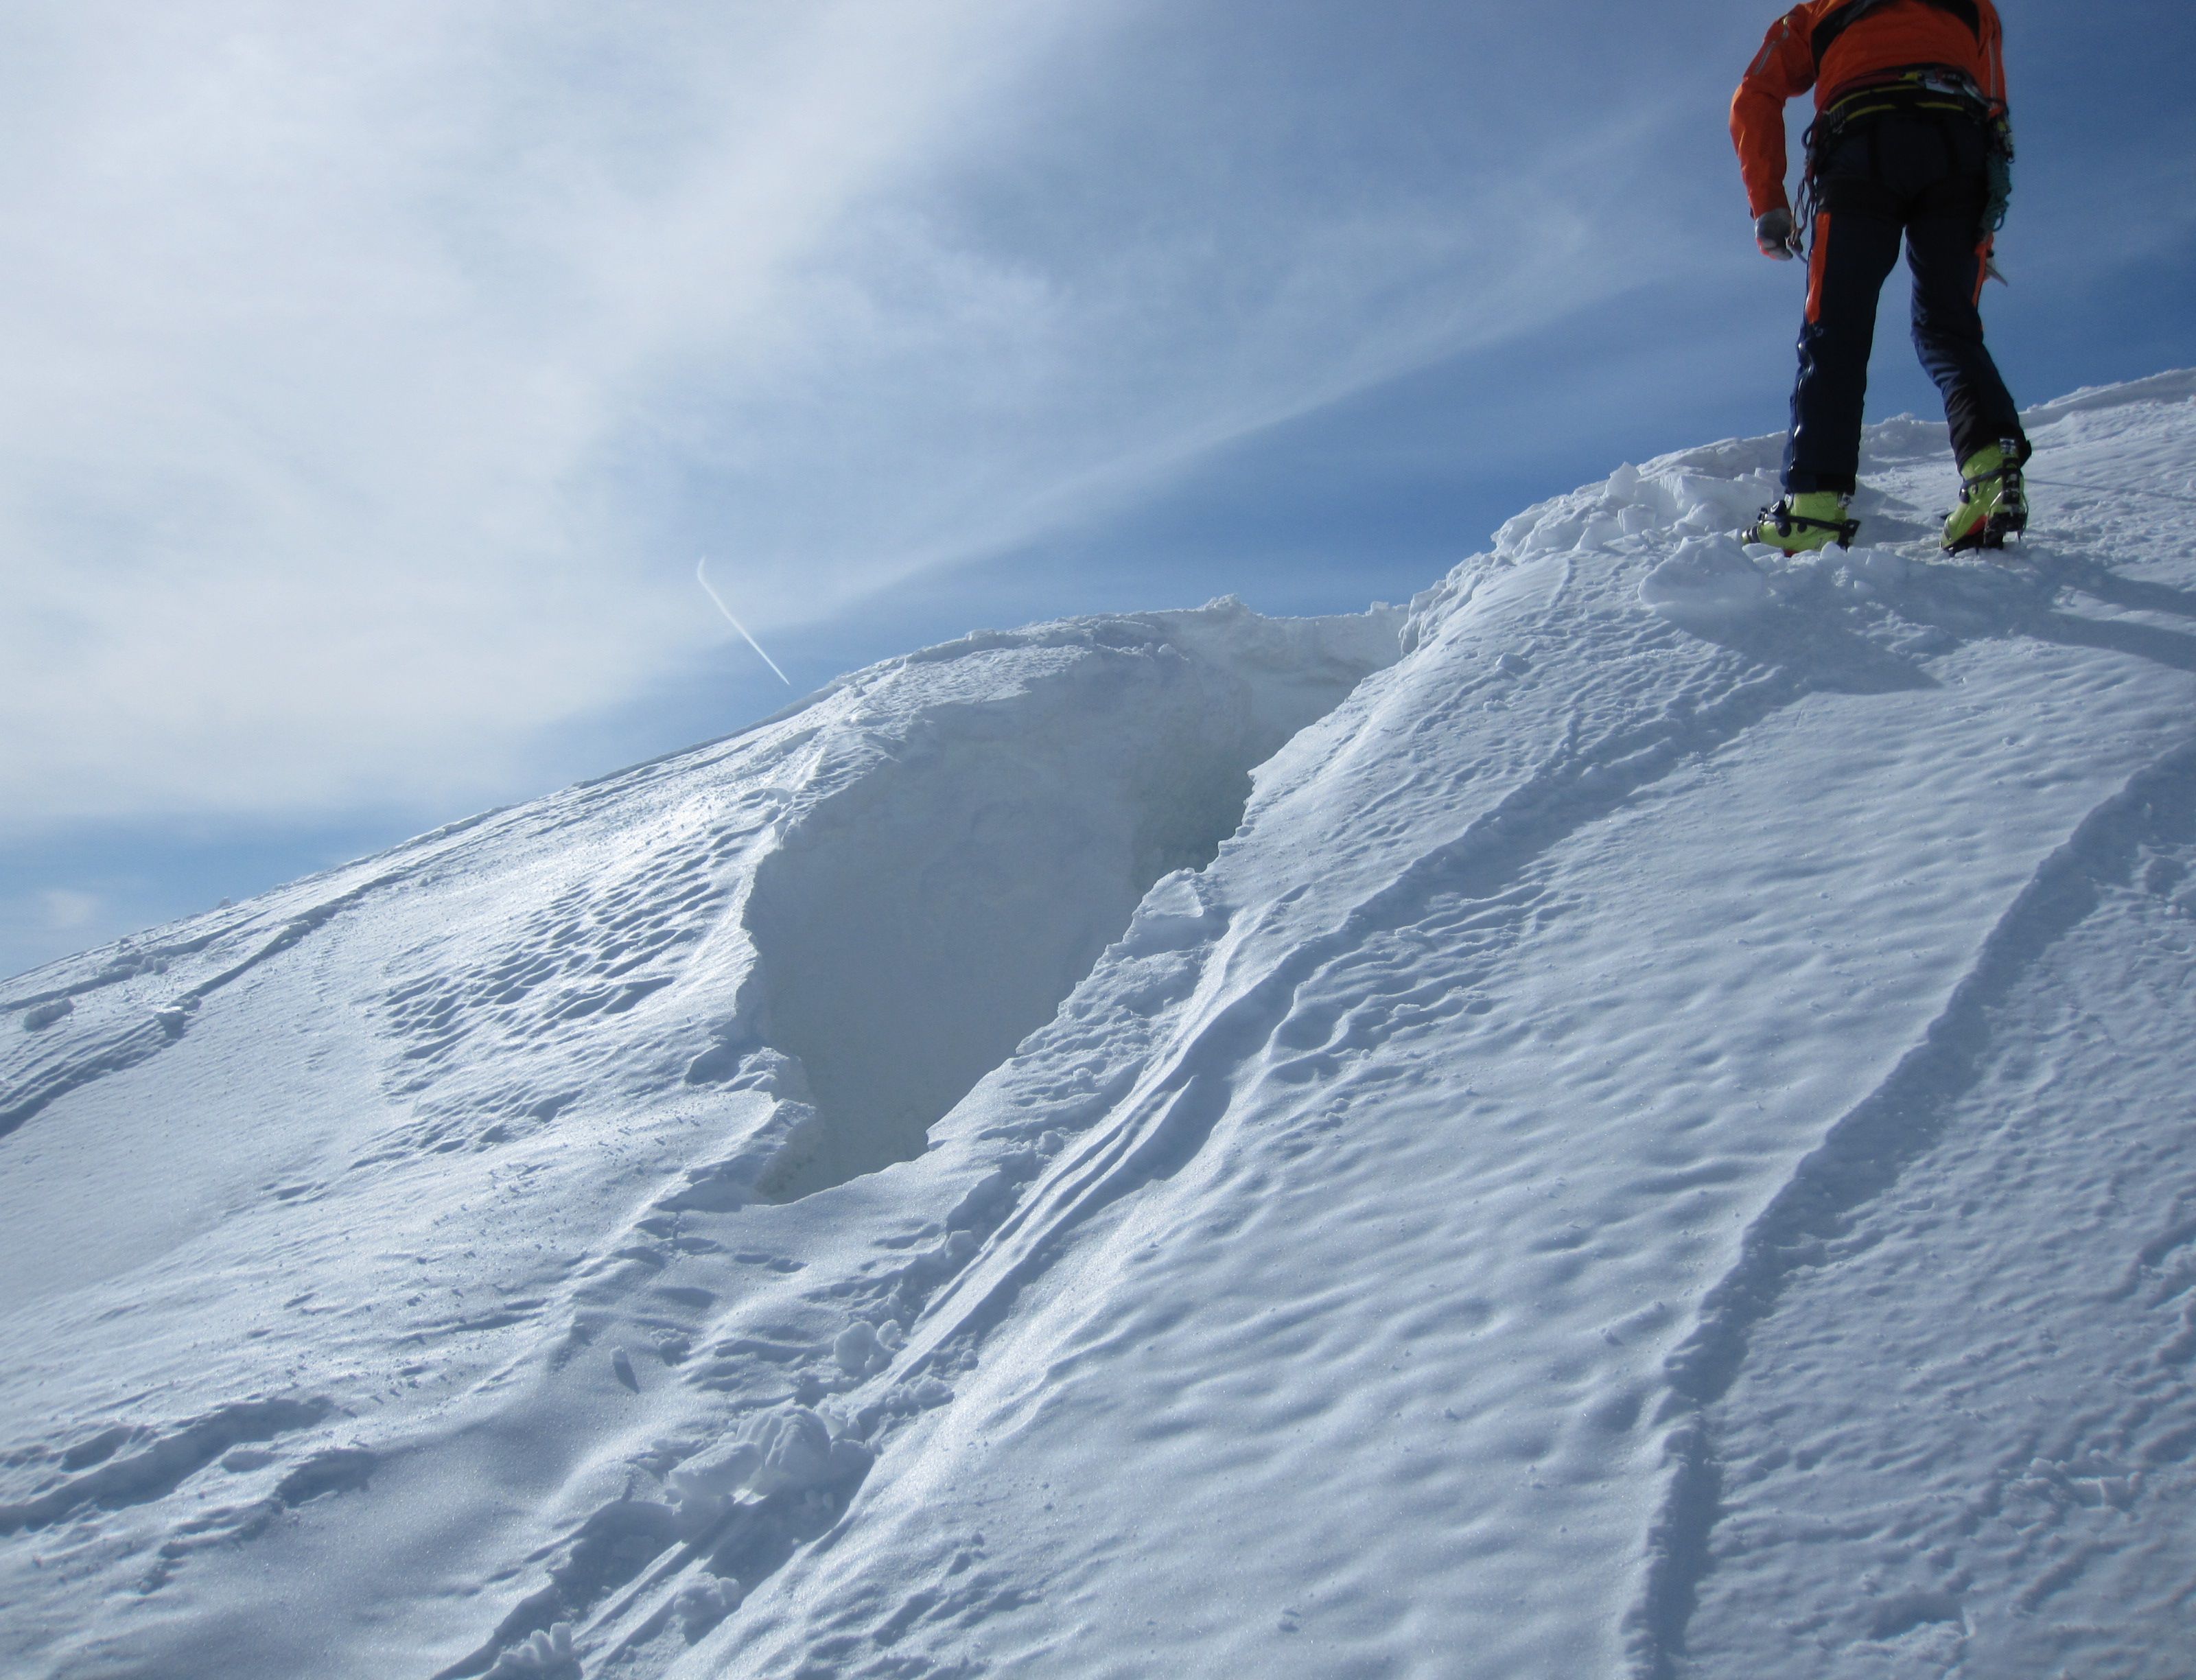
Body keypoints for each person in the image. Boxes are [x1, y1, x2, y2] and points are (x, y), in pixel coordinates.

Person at [1732, 0, 2029, 555]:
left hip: (1860, 145)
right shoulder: (1974, 7)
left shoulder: (1818, 10)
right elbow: (1996, 115)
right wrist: (1980, 241)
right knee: (1949, 326)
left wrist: (1768, 203)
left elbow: (1757, 90)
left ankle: (1816, 503)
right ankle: (1993, 475)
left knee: (1835, 327)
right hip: (1958, 145)